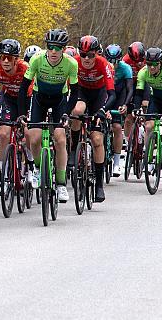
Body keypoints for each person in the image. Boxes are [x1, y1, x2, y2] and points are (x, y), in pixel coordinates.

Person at [18, 29, 78, 203]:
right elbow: (24, 88)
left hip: (59, 101)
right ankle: (37, 167)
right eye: (50, 47)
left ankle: (60, 183)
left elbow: (74, 93)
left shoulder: (71, 64)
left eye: (58, 48)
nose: (53, 51)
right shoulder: (37, 59)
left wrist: (67, 112)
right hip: (39, 100)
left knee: (60, 139)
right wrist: (22, 113)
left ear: (64, 49)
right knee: (34, 137)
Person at [69, 35, 115, 202]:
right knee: (76, 111)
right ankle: (74, 148)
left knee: (96, 139)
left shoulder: (104, 64)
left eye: (91, 55)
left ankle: (99, 185)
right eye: (83, 54)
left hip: (99, 95)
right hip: (81, 92)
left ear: (97, 53)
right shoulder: (74, 62)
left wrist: (103, 110)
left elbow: (112, 94)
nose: (87, 59)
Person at [0, 39, 36, 193]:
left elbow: (29, 93)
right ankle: (4, 175)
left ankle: (30, 163)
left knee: (28, 132)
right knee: (3, 133)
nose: (6, 61)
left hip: (27, 99)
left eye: (10, 58)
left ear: (17, 59)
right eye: (3, 57)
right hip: (9, 99)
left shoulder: (26, 69)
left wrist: (23, 118)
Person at [133, 47, 162, 169]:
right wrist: (136, 108)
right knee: (149, 126)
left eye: (155, 64)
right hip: (156, 100)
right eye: (149, 64)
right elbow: (138, 93)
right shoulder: (143, 72)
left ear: (160, 63)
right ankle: (148, 158)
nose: (152, 67)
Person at [105, 43, 134, 176]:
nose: (112, 64)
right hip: (105, 93)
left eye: (115, 61)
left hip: (119, 95)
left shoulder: (125, 68)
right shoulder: (102, 66)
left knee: (116, 127)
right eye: (110, 61)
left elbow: (129, 89)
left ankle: (117, 162)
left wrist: (125, 105)